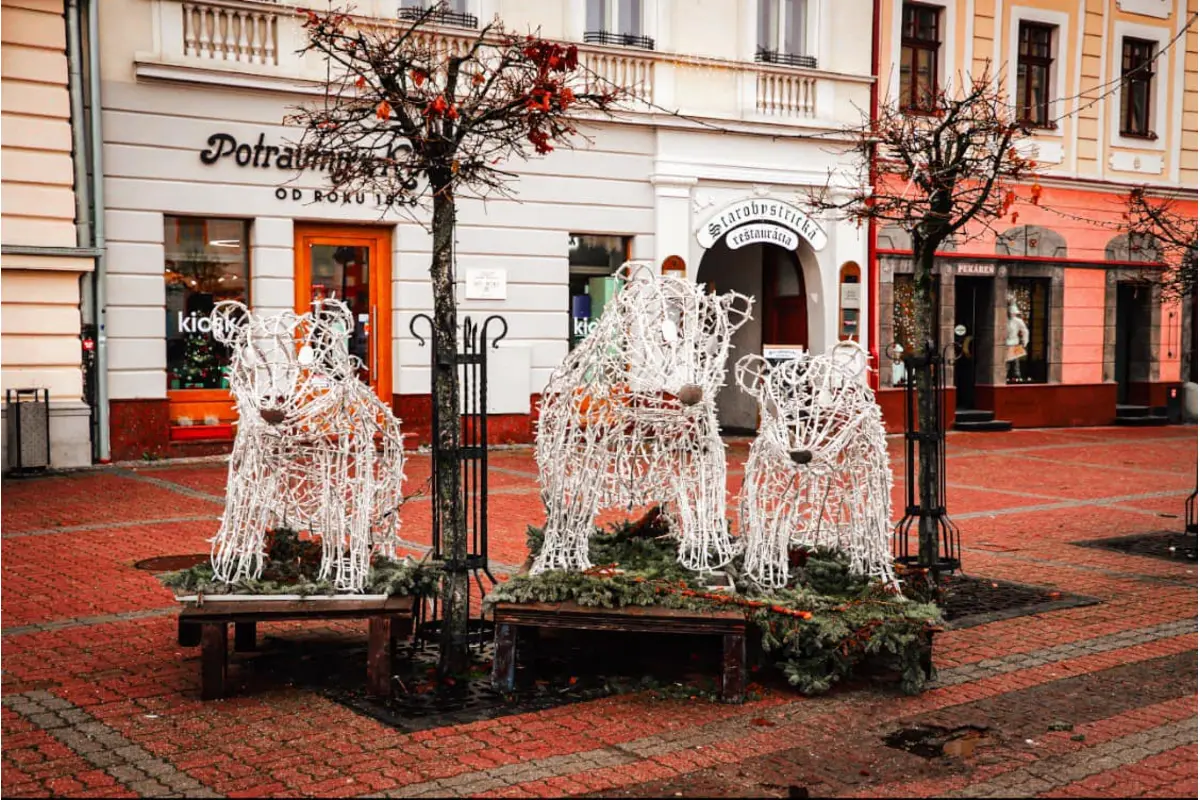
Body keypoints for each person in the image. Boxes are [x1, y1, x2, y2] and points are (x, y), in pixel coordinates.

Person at [1005, 302, 1030, 382]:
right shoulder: (1004, 320)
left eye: (1014, 313)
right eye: (1012, 313)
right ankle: (1005, 376)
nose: (1013, 314)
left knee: (1016, 363)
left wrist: (1025, 341)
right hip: (1006, 344)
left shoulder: (1018, 321)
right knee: (1006, 362)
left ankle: (1017, 377)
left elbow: (1025, 330)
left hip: (1015, 343)